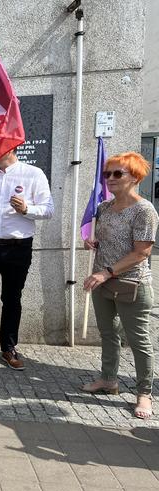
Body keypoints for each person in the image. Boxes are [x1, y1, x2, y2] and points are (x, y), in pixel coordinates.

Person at [82, 152, 158, 420]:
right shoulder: (103, 208)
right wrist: (91, 242)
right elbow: (107, 240)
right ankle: (108, 380)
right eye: (107, 174)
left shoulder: (144, 210)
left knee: (139, 342)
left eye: (117, 174)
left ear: (135, 177)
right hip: (102, 281)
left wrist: (107, 272)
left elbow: (141, 252)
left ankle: (144, 394)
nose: (110, 179)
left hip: (131, 283)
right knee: (108, 334)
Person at [0, 148, 54, 370]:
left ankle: (8, 347)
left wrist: (27, 209)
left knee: (12, 298)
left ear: (11, 147)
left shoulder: (33, 173)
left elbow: (48, 209)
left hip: (18, 246)